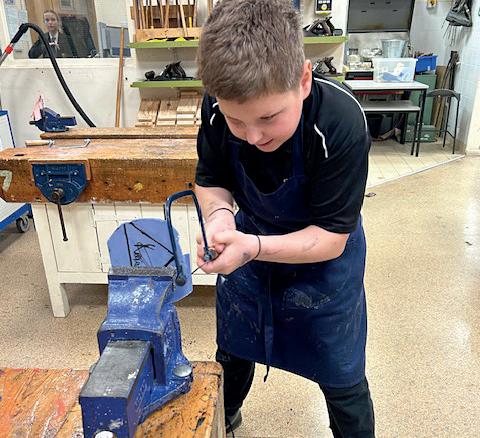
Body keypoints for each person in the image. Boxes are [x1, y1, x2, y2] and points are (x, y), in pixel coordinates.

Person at [194, 0, 375, 436]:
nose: (253, 136)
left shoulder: (340, 123)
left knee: (343, 376)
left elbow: (331, 237)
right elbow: (211, 179)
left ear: (304, 79)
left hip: (324, 264)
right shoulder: (216, 106)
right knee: (233, 350)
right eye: (237, 121)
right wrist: (219, 220)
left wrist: (252, 247)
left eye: (268, 117)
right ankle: (224, 418)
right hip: (249, 241)